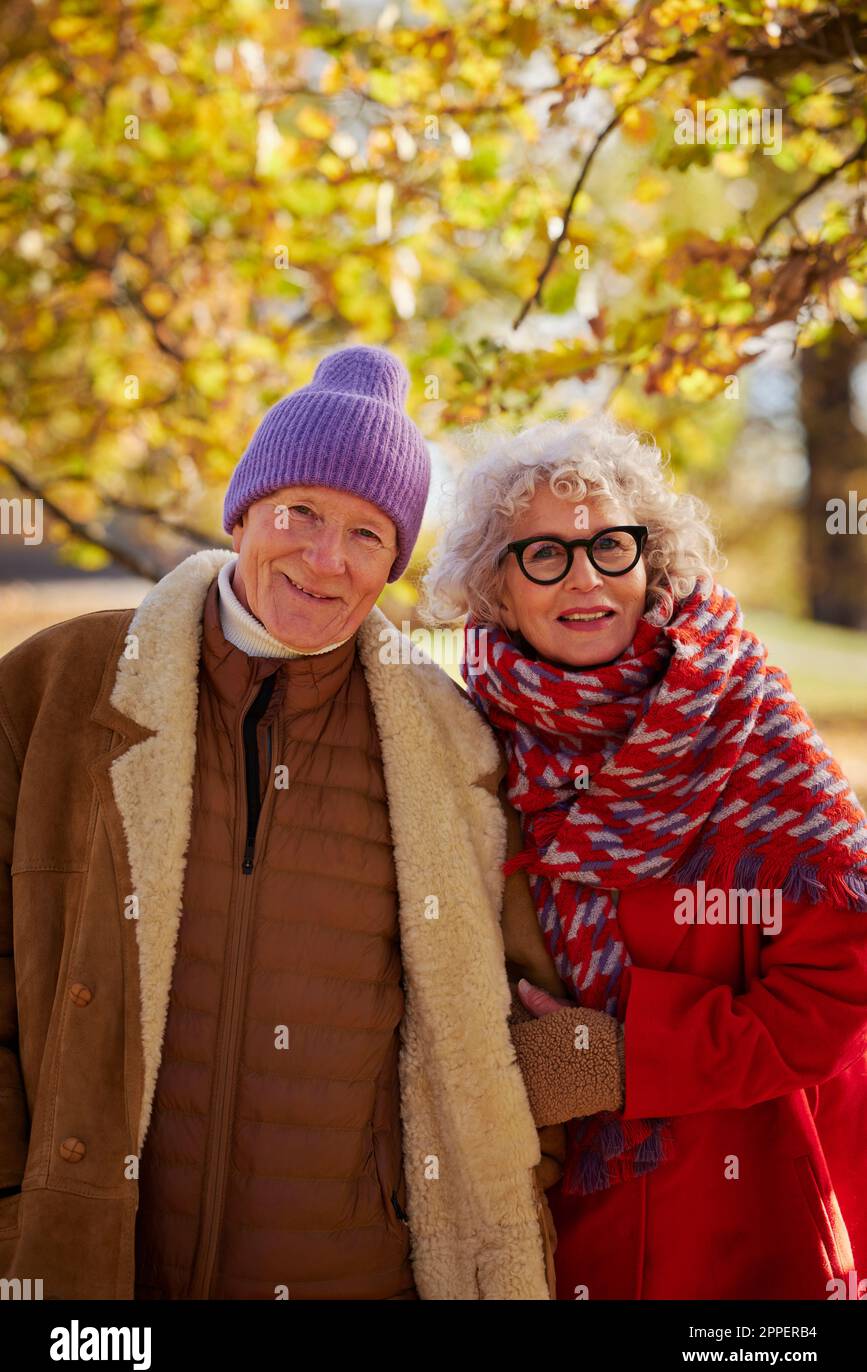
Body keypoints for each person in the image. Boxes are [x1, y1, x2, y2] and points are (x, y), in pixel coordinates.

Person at [0, 345, 566, 1301]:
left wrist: (594, 1065)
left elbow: (503, 1021)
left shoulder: (450, 746)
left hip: (351, 1271)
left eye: (366, 534)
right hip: (95, 1267)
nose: (324, 559)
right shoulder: (59, 685)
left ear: (392, 565)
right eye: (300, 512)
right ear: (243, 514)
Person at [420, 412, 867, 1300]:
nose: (584, 577)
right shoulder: (463, 743)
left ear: (650, 561)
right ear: (495, 589)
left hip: (746, 1214)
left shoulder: (746, 724)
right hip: (557, 1215)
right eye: (542, 554)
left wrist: (633, 1060)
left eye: (609, 546)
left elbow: (841, 988)